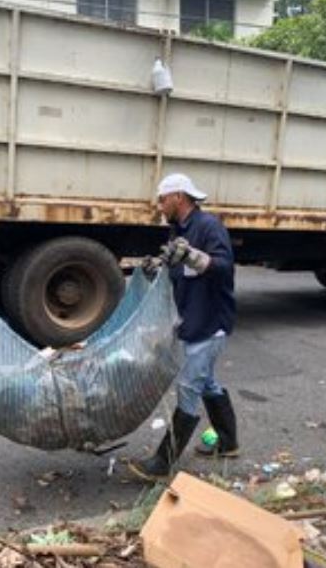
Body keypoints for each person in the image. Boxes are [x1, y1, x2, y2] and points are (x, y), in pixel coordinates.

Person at [128, 173, 239, 482]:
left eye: (163, 199)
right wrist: (157, 268)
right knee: (207, 382)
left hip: (211, 321)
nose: (160, 206)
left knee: (189, 387)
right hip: (192, 319)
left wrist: (192, 256)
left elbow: (223, 266)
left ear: (178, 197)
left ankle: (162, 463)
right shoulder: (179, 229)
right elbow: (177, 270)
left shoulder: (209, 227)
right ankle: (228, 442)